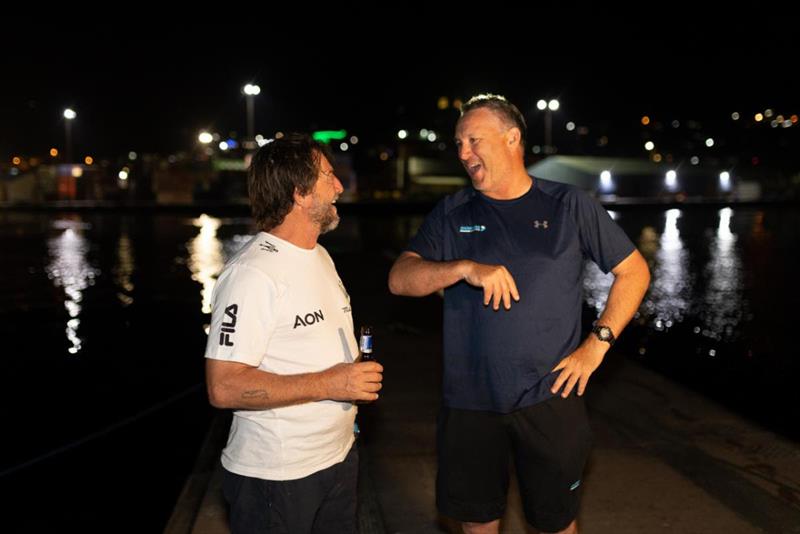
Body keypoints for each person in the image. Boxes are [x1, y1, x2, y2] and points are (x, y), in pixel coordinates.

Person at [388, 94, 650, 534]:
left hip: (551, 399)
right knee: (477, 525)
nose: (463, 153)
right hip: (469, 403)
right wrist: (464, 267)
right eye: (458, 143)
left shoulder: (568, 205)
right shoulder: (453, 213)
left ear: (512, 139)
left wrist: (597, 344)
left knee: (555, 524)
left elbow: (634, 272)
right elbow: (400, 278)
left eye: (474, 140)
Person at [205, 133, 383, 533]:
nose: (339, 186)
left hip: (337, 458)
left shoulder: (319, 255)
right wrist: (333, 382)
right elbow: (224, 387)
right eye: (329, 177)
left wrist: (352, 374)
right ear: (300, 193)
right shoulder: (252, 274)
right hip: (276, 476)